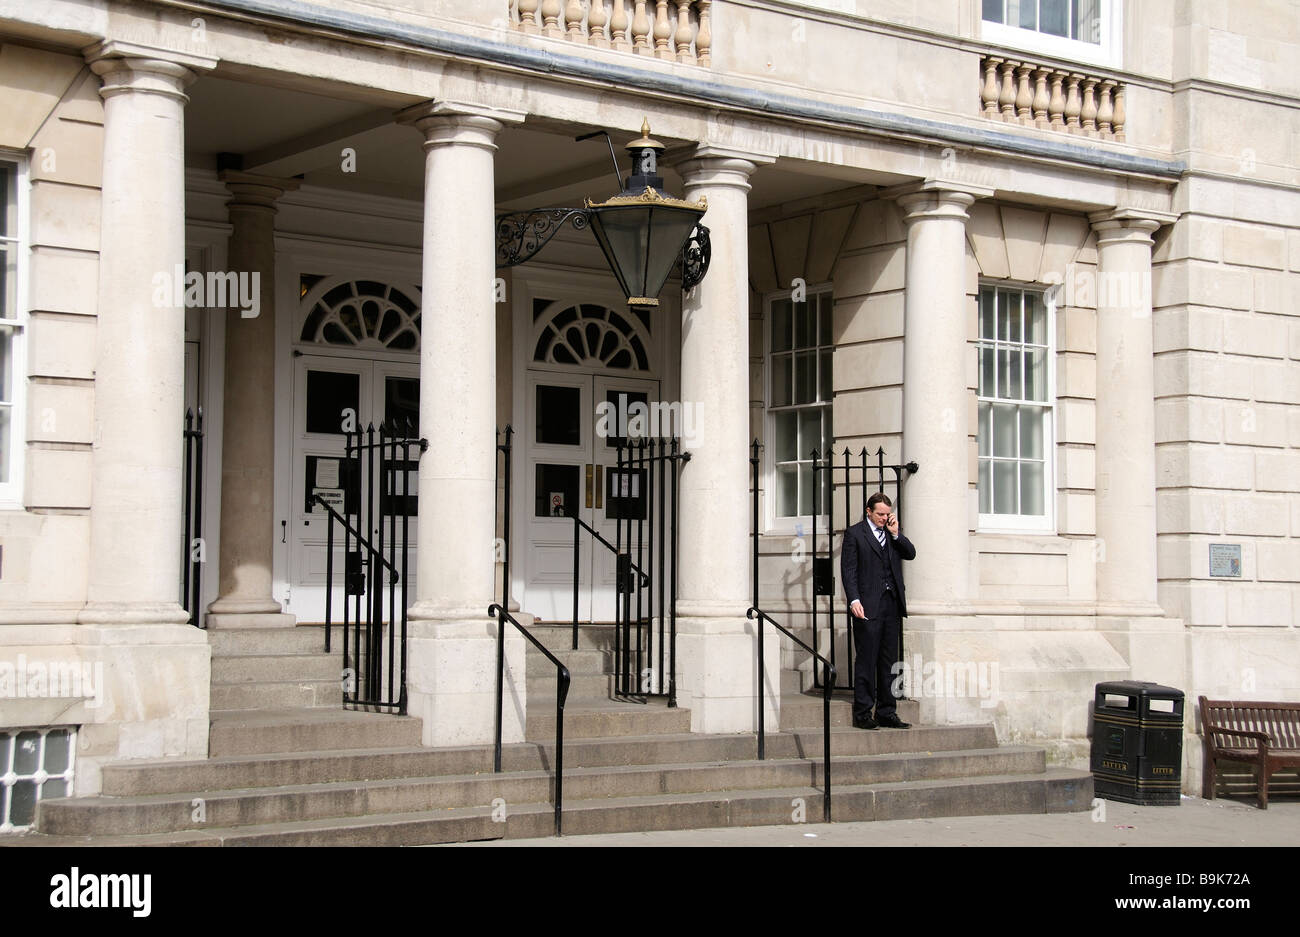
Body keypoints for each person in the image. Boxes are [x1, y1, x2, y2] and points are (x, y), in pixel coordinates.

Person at [841, 492, 916, 729]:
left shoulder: (891, 534)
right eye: (880, 514)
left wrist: (896, 534)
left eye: (887, 514)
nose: (884, 518)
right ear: (869, 512)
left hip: (891, 604)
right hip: (867, 604)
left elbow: (911, 553)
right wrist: (853, 600)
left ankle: (887, 711)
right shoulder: (855, 534)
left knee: (889, 660)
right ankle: (863, 712)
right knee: (866, 659)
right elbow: (849, 570)